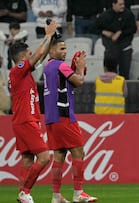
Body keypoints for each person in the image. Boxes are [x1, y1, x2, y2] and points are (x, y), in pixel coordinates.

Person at [7, 20, 57, 203]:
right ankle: (25, 192)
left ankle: (23, 195)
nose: (31, 57)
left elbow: (39, 57)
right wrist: (48, 35)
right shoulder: (17, 70)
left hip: (24, 120)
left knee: (28, 160)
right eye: (27, 55)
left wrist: (50, 40)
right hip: (26, 120)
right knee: (44, 157)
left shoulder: (24, 72)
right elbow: (36, 56)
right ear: (22, 59)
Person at [43, 38, 98, 203]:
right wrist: (79, 69)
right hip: (64, 115)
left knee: (59, 155)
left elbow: (66, 85)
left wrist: (73, 67)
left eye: (65, 49)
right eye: (61, 48)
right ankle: (78, 193)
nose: (64, 51)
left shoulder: (48, 67)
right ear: (51, 51)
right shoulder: (60, 65)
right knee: (79, 152)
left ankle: (56, 196)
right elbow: (79, 81)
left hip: (51, 117)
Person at [95, 0, 137, 80]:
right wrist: (104, 32)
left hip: (125, 48)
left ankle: (124, 91)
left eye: (123, 4)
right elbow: (94, 28)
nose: (122, 6)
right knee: (110, 75)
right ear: (113, 4)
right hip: (110, 49)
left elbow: (133, 29)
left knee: (125, 75)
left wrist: (120, 32)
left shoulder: (128, 14)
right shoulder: (105, 15)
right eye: (120, 4)